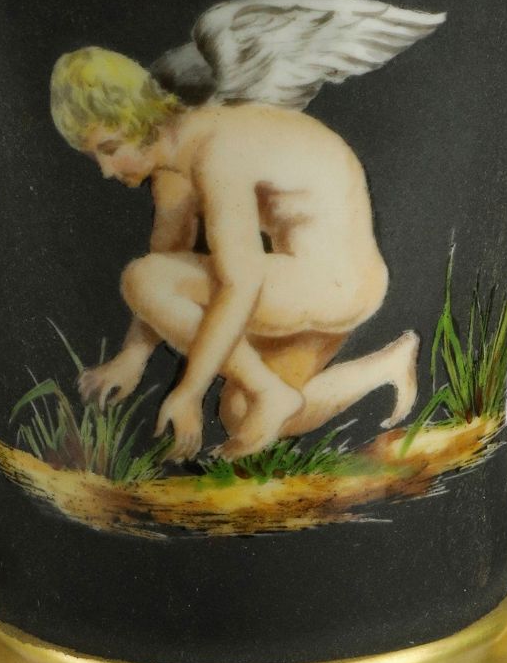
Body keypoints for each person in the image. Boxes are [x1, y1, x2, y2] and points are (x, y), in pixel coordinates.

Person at [48, 45, 418, 459]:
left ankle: (270, 391)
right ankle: (384, 365)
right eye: (94, 155)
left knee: (142, 277)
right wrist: (133, 356)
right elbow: (167, 261)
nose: (106, 170)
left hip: (331, 280)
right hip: (322, 285)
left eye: (110, 148)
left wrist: (190, 390)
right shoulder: (172, 165)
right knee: (239, 414)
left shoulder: (216, 149)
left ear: (140, 122)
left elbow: (239, 282)